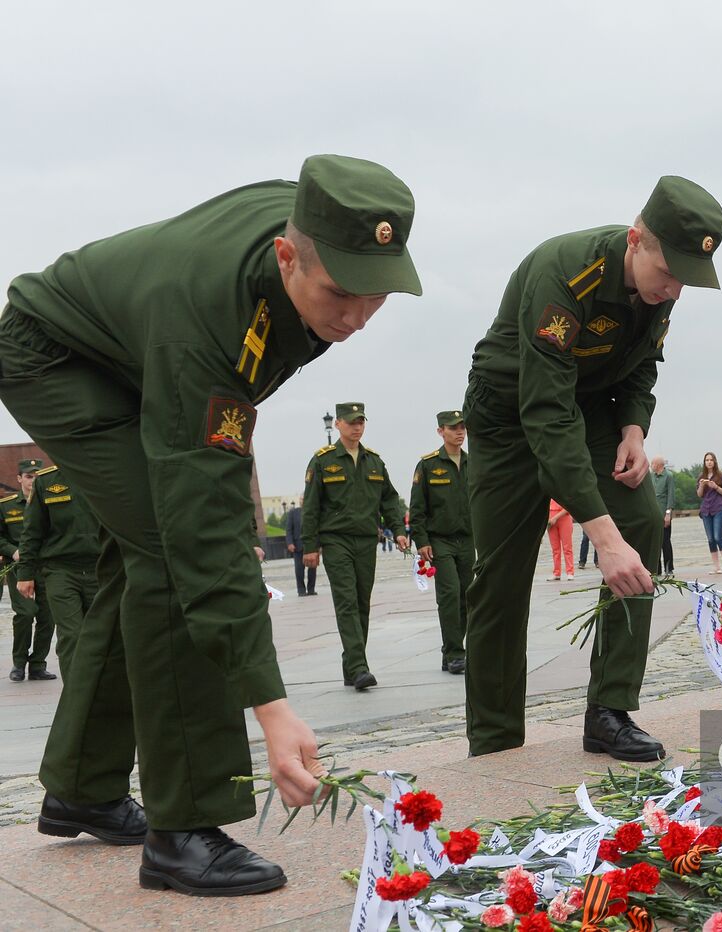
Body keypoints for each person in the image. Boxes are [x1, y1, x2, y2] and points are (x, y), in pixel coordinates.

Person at [0, 154, 421, 895]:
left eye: (377, 295)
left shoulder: (319, 233)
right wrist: (270, 703)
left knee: (141, 558)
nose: (356, 318)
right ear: (288, 255)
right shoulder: (211, 311)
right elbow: (201, 523)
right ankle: (183, 830)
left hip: (132, 351)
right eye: (341, 294)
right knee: (169, 553)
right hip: (54, 356)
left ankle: (82, 786)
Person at [463, 175, 722, 759]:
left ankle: (610, 710)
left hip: (589, 401)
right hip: (510, 412)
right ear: (636, 240)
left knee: (638, 524)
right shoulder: (566, 273)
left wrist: (633, 427)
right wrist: (597, 535)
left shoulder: (661, 292)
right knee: (501, 579)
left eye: (687, 279)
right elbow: (545, 416)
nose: (675, 289)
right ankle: (497, 739)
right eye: (668, 272)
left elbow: (641, 367)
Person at [302, 402, 409, 692]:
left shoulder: (374, 461)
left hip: (365, 540)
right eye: (351, 422)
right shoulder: (323, 461)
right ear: (337, 424)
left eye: (361, 421)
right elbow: (310, 506)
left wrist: (398, 531)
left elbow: (390, 499)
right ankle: (360, 667)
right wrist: (310, 546)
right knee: (347, 601)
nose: (357, 426)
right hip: (335, 540)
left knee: (362, 602)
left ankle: (351, 665)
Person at [16, 463, 100, 679]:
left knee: (103, 634)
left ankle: (102, 693)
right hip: (60, 570)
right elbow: (32, 530)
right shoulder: (46, 481)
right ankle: (76, 695)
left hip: (101, 568)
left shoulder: (105, 472)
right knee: (72, 634)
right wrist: (25, 574)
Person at [410, 410, 474, 675]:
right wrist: (421, 541)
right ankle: (457, 653)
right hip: (440, 541)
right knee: (449, 595)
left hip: (468, 539)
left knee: (467, 597)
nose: (459, 432)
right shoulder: (428, 465)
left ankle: (450, 650)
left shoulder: (474, 462)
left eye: (462, 427)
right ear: (440, 431)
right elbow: (417, 508)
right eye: (452, 428)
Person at [4, 458, 54, 682]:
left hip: (47, 567)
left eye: (36, 476)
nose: (32, 481)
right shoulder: (6, 506)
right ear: (19, 478)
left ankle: (38, 665)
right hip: (19, 567)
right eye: (28, 476)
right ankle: (19, 663)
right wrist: (13, 551)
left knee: (47, 616)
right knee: (25, 614)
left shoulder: (51, 501)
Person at [696, 452, 722, 573]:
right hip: (706, 510)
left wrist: (715, 486)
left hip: (718, 509)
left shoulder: (720, 476)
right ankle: (716, 566)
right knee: (710, 539)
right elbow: (699, 495)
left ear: (714, 461)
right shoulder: (701, 476)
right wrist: (701, 486)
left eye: (711, 460)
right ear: (704, 462)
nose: (709, 462)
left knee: (718, 537)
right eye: (707, 460)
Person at [283, 499, 316, 596]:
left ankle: (311, 589)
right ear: (300, 501)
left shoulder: (313, 511)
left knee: (312, 569)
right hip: (297, 546)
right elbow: (288, 530)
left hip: (311, 545)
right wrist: (289, 543)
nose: (304, 500)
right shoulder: (293, 513)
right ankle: (301, 590)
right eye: (302, 499)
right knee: (299, 569)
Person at [651, 456, 675, 575]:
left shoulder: (668, 476)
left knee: (665, 542)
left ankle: (669, 567)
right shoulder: (650, 476)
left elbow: (670, 495)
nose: (651, 465)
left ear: (659, 465)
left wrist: (668, 514)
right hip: (653, 515)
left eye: (652, 463)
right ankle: (657, 569)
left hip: (664, 514)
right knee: (655, 543)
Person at [546, 500, 575, 580]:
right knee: (555, 549)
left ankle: (570, 572)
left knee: (567, 547)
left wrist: (555, 518)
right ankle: (556, 572)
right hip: (550, 520)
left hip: (564, 518)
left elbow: (569, 507)